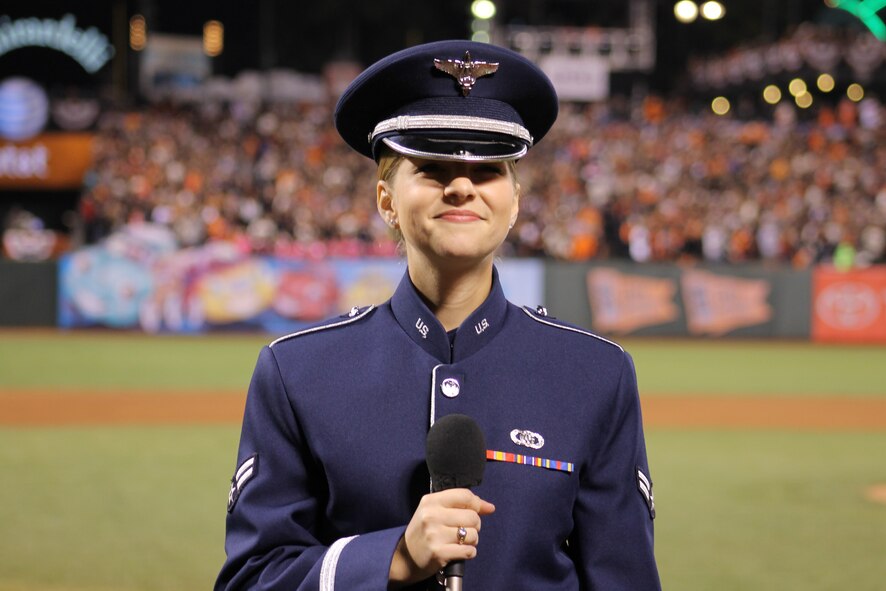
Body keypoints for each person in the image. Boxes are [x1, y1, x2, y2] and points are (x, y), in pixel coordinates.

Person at [215, 39, 661, 591]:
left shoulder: (595, 372)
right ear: (386, 201)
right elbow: (250, 578)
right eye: (431, 167)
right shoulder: (297, 372)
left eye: (489, 169)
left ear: (515, 202)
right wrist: (392, 558)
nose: (461, 186)